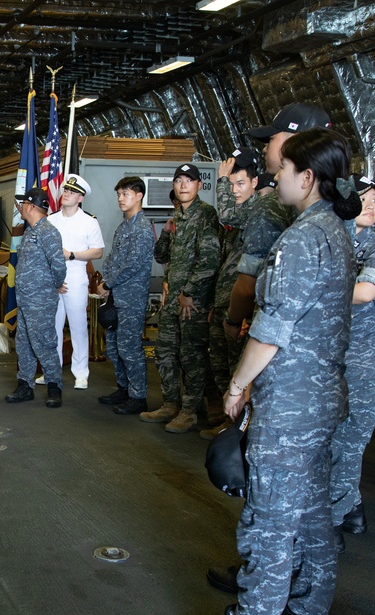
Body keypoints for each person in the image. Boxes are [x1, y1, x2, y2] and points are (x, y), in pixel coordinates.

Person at [193, 128, 360, 615]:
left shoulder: (301, 239)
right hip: (320, 398)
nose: (276, 176)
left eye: (283, 169)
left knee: (271, 520)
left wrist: (237, 386)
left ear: (306, 178)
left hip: (289, 403)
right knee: (312, 520)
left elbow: (270, 331)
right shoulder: (335, 230)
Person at [329, 174, 375, 543]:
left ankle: (332, 524)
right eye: (364, 197)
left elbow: (366, 291)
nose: (372, 205)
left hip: (358, 355)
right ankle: (351, 509)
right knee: (326, 440)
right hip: (325, 353)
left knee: (347, 441)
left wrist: (311, 286)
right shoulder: (330, 240)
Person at [224, 104, 331, 343]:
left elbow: (248, 285)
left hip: (278, 342)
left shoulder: (272, 207)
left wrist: (232, 321)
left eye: (271, 139)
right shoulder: (343, 204)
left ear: (296, 142)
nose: (265, 148)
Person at [140, 163, 220, 432]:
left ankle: (189, 411)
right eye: (179, 180)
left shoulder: (205, 214)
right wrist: (166, 231)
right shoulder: (177, 219)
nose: (183, 185)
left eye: (189, 180)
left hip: (193, 302)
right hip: (174, 299)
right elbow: (162, 256)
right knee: (165, 352)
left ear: (199, 185)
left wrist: (189, 292)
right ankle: (170, 404)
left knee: (192, 357)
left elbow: (210, 260)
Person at [201, 147, 260, 441]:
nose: (235, 190)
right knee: (220, 364)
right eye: (231, 184)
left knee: (239, 369)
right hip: (224, 302)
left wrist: (222, 181)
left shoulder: (257, 210)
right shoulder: (236, 220)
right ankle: (228, 424)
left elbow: (226, 212)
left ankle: (239, 429)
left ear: (255, 183)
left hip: (241, 308)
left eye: (240, 183)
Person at [34, 174, 104, 390]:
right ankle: (51, 370)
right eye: (65, 190)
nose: (66, 194)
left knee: (78, 326)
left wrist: (72, 255)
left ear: (80, 198)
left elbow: (98, 251)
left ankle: (81, 373)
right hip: (53, 279)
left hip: (75, 276)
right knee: (52, 327)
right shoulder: (51, 220)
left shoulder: (89, 221)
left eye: (72, 192)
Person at [96, 176, 156, 415]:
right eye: (119, 194)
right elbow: (112, 259)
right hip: (115, 297)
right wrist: (105, 282)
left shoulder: (142, 228)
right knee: (113, 347)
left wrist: (108, 283)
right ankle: (124, 388)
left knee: (130, 349)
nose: (121, 199)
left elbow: (133, 265)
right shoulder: (123, 227)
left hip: (131, 299)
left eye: (126, 194)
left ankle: (138, 396)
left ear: (139, 196)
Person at [5, 187, 67, 408]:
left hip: (40, 300)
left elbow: (58, 266)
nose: (20, 208)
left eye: (23, 204)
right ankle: (25, 385)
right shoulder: (30, 231)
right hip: (25, 299)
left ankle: (54, 386)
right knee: (24, 343)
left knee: (44, 343)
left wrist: (53, 286)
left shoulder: (48, 232)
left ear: (31, 206)